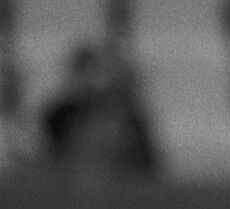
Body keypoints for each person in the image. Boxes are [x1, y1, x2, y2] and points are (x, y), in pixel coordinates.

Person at [41, 40, 158, 180]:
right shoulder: (59, 117)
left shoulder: (132, 123)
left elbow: (148, 172)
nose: (92, 81)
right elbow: (48, 162)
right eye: (86, 72)